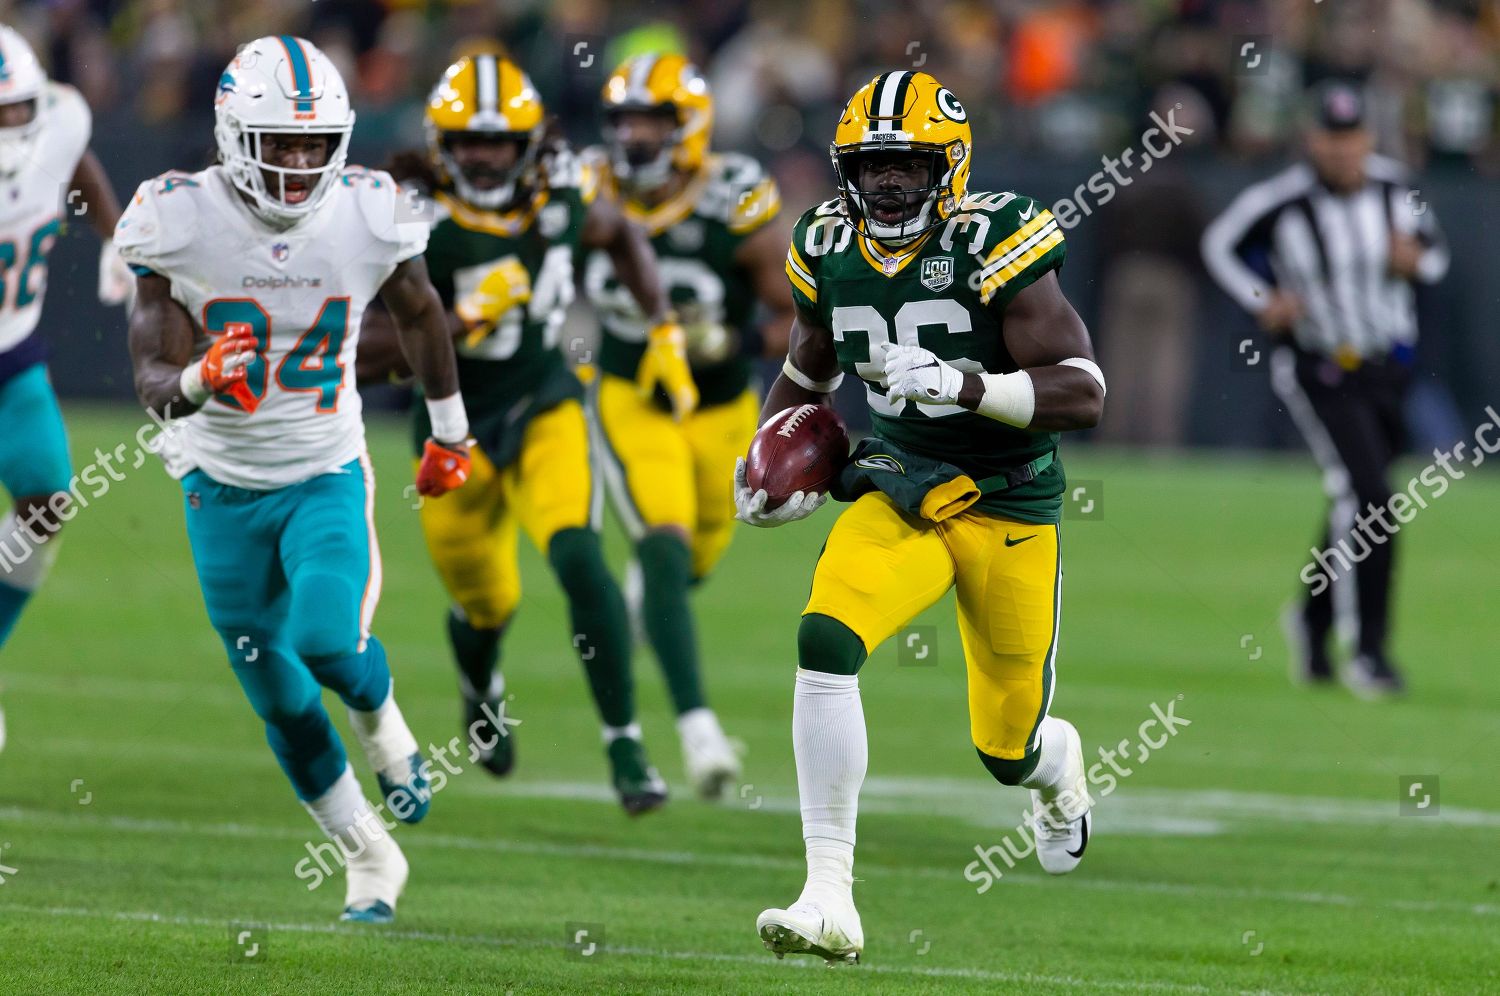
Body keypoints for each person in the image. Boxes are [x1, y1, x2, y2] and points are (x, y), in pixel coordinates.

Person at [737, 71, 1105, 963]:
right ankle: (829, 896)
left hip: (1008, 500)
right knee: (825, 640)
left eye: (906, 164)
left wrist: (966, 383)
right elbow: (811, 369)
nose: (889, 183)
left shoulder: (996, 237)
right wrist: (770, 455)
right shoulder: (829, 241)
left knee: (1005, 746)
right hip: (903, 482)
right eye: (872, 167)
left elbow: (1085, 393)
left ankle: (1057, 772)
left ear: (950, 164)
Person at [119, 36, 471, 922]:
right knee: (281, 701)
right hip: (218, 487)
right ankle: (367, 857)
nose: (301, 161)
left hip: (323, 472)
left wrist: (448, 432)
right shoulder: (179, 217)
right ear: (235, 134)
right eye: (281, 141)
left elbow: (422, 314)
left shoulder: (370, 211)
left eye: (317, 144)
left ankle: (386, 725)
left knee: (326, 640)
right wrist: (201, 378)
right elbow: (153, 387)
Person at [359, 52, 674, 814]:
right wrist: (453, 322)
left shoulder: (563, 192)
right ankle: (481, 685)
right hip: (449, 428)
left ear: (529, 141)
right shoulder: (405, 214)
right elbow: (355, 349)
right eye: (467, 140)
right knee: (486, 603)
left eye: (498, 141)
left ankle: (625, 741)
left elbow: (622, 233)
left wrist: (662, 328)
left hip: (544, 402)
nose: (483, 155)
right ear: (440, 142)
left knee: (580, 558)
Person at [581, 53, 793, 798]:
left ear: (690, 127)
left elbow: (799, 317)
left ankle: (653, 600)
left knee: (696, 556)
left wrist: (734, 341)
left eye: (652, 121)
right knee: (664, 546)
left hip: (723, 404)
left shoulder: (730, 196)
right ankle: (698, 731)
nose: (634, 137)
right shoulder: (585, 187)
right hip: (632, 397)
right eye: (623, 122)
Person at [1201, 80, 1448, 697]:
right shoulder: (1282, 200)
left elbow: (1438, 255)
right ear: (1311, 140)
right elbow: (1219, 245)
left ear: (1367, 138)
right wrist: (1264, 298)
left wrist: (1414, 262)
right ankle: (1368, 653)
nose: (1342, 150)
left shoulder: (1396, 189)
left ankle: (1310, 621)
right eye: (1331, 138)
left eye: (1352, 137)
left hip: (1389, 366)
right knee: (1372, 501)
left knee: (1356, 501)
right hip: (1321, 366)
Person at [0, 23, 134, 671]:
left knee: (47, 502)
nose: (9, 124)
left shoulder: (60, 121)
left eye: (15, 109)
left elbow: (73, 158)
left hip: (13, 357)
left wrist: (114, 234)